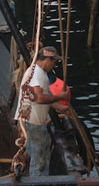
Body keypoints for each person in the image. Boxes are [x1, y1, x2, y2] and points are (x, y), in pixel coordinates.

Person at [14, 46, 70, 176]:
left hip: (35, 122)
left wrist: (62, 108)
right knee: (39, 159)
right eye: (54, 62)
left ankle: (41, 182)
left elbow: (48, 98)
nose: (54, 65)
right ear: (48, 60)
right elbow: (39, 98)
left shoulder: (40, 73)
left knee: (43, 153)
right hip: (32, 123)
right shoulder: (35, 74)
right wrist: (61, 96)